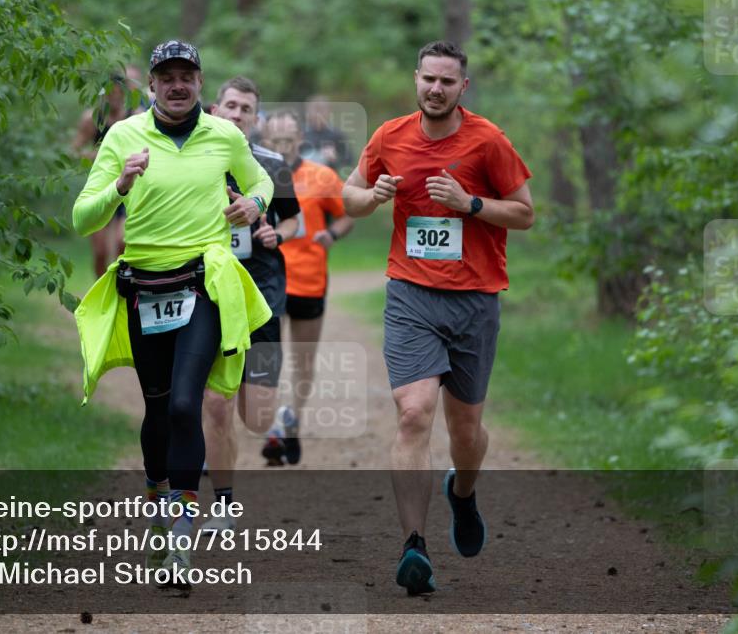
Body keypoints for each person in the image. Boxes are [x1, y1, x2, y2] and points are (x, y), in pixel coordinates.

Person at [72, 40, 274, 586]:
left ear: (200, 83)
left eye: (187, 75)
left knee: (188, 404)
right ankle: (159, 505)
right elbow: (83, 218)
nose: (177, 84)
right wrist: (119, 185)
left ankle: (181, 540)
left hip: (202, 281)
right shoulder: (123, 136)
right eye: (167, 76)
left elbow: (261, 180)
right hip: (144, 285)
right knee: (158, 408)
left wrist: (253, 204)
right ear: (153, 85)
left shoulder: (224, 135)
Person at [341, 41, 535, 595]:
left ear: (462, 88)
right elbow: (349, 195)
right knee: (413, 413)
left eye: (447, 82)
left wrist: (469, 203)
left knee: (466, 431)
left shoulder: (488, 141)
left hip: (474, 299)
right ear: (416, 79)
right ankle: (414, 547)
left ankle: (464, 493)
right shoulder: (389, 136)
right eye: (428, 79)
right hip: (411, 295)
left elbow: (525, 213)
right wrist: (371, 196)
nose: (435, 89)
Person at [200, 77, 301, 533]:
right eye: (232, 106)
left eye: (247, 109)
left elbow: (295, 220)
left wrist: (274, 234)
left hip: (261, 295)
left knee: (256, 420)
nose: (238, 115)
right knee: (216, 406)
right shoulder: (196, 162)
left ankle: (275, 413)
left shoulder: (272, 165)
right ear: (216, 110)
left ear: (256, 119)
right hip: (210, 295)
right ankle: (222, 505)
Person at [261, 110, 354, 466]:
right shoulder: (253, 175)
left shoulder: (322, 176)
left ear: (300, 139)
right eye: (274, 141)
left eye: (288, 140)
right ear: (264, 141)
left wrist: (331, 233)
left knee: (302, 361)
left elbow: (349, 212)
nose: (282, 147)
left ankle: (291, 422)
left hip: (309, 279)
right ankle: (272, 426)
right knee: (265, 360)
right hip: (266, 282)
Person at [71, 68, 147, 277]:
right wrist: (101, 156)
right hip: (101, 186)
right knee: (100, 251)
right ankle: (99, 291)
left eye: (118, 93)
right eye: (110, 93)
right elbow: (75, 150)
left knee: (122, 242)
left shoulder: (136, 117)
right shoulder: (93, 118)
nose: (114, 98)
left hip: (129, 187)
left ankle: (119, 287)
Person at [302, 95, 352, 172]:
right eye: (315, 109)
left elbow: (349, 163)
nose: (319, 113)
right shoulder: (300, 134)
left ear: (329, 111)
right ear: (307, 112)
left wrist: (335, 158)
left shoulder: (337, 135)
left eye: (322, 109)